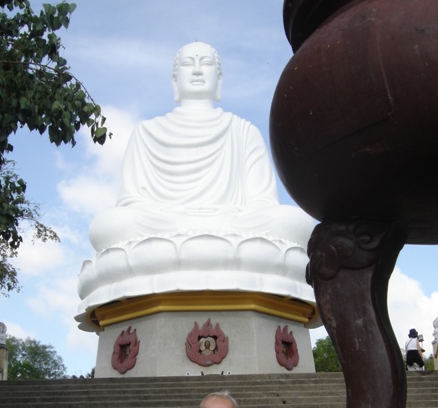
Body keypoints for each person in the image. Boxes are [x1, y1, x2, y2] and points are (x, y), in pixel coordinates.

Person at [88, 41, 313, 251]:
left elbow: (262, 203)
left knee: (290, 222)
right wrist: (175, 218)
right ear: (175, 80)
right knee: (111, 225)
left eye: (205, 64)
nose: (197, 70)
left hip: (232, 222)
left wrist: (227, 217)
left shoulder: (243, 132)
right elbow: (131, 201)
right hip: (164, 222)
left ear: (219, 79)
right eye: (188, 64)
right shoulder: (146, 132)